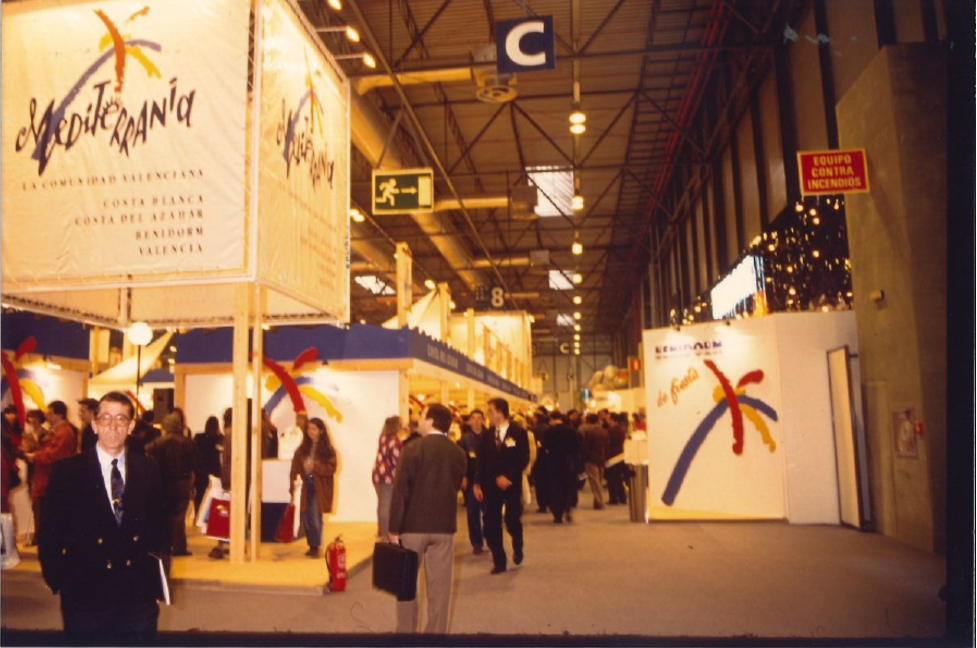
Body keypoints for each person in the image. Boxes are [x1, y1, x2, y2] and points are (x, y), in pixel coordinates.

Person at [38, 391, 169, 643]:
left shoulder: (148, 467)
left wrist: (156, 583)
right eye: (106, 418)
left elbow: (159, 530)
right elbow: (50, 535)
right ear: (94, 424)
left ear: (131, 426)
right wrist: (59, 581)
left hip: (136, 598)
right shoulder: (68, 471)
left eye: (121, 419)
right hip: (85, 596)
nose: (113, 426)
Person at [387, 403, 466, 634]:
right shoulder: (458, 453)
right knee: (440, 589)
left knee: (406, 586)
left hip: (412, 528)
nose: (418, 420)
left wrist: (394, 528)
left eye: (422, 416)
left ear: (431, 421)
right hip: (444, 527)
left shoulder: (411, 450)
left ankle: (407, 634)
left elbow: (400, 492)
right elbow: (455, 484)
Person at [474, 397, 530, 575]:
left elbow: (523, 458)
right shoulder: (486, 435)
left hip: (511, 485)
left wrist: (509, 477)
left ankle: (517, 544)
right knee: (491, 524)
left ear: (500, 412)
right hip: (491, 486)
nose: (487, 415)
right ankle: (499, 561)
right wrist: (477, 483)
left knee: (512, 520)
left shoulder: (518, 432)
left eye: (490, 411)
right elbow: (481, 462)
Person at [23, 401, 76, 543]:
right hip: (45, 479)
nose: (47, 416)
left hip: (51, 480)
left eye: (50, 413)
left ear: (59, 415)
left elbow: (54, 455)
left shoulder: (63, 432)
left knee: (49, 517)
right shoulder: (57, 431)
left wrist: (35, 456)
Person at [289, 417, 337, 558]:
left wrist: (315, 467)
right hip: (305, 486)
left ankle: (315, 546)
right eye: (309, 428)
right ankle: (311, 544)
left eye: (314, 428)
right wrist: (292, 486)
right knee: (305, 516)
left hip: (319, 487)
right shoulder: (302, 449)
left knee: (316, 515)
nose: (311, 431)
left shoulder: (328, 450)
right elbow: (294, 468)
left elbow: (331, 468)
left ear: (321, 431)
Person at [151, 413, 197, 556]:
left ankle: (167, 545)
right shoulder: (188, 442)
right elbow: (196, 463)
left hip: (164, 483)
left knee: (166, 515)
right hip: (183, 483)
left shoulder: (157, 443)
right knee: (179, 516)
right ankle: (179, 547)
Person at [543, 411, 582, 523]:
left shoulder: (549, 432)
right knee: (568, 488)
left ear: (552, 419)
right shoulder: (571, 431)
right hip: (568, 464)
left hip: (554, 465)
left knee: (556, 489)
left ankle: (557, 514)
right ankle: (568, 508)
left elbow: (545, 447)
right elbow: (577, 448)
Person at [456, 409, 486, 554]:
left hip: (488, 481)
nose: (476, 421)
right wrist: (463, 476)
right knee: (473, 512)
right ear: (469, 421)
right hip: (471, 479)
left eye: (479, 418)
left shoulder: (490, 436)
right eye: (473, 418)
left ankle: (490, 538)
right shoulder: (464, 439)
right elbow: (461, 460)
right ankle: (477, 543)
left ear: (483, 420)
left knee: (489, 512)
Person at [371, 415, 402, 540]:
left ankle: (381, 531)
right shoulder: (395, 441)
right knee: (386, 505)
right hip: (388, 477)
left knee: (382, 504)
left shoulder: (382, 438)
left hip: (378, 474)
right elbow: (396, 460)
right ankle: (385, 533)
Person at [193, 415, 223, 514]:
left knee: (200, 496)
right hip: (214, 473)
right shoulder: (219, 439)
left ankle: (198, 516)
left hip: (200, 472)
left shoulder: (198, 438)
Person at [580, 413, 609, 509]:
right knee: (599, 481)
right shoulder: (604, 432)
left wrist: (584, 458)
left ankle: (600, 502)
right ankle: (597, 502)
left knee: (594, 481)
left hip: (591, 459)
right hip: (601, 458)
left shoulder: (589, 432)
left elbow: (585, 447)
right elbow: (607, 445)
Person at [606, 413, 629, 505]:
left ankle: (613, 498)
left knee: (612, 478)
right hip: (620, 455)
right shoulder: (621, 430)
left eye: (608, 418)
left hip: (612, 456)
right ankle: (622, 497)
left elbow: (608, 444)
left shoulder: (611, 431)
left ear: (612, 419)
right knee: (618, 477)